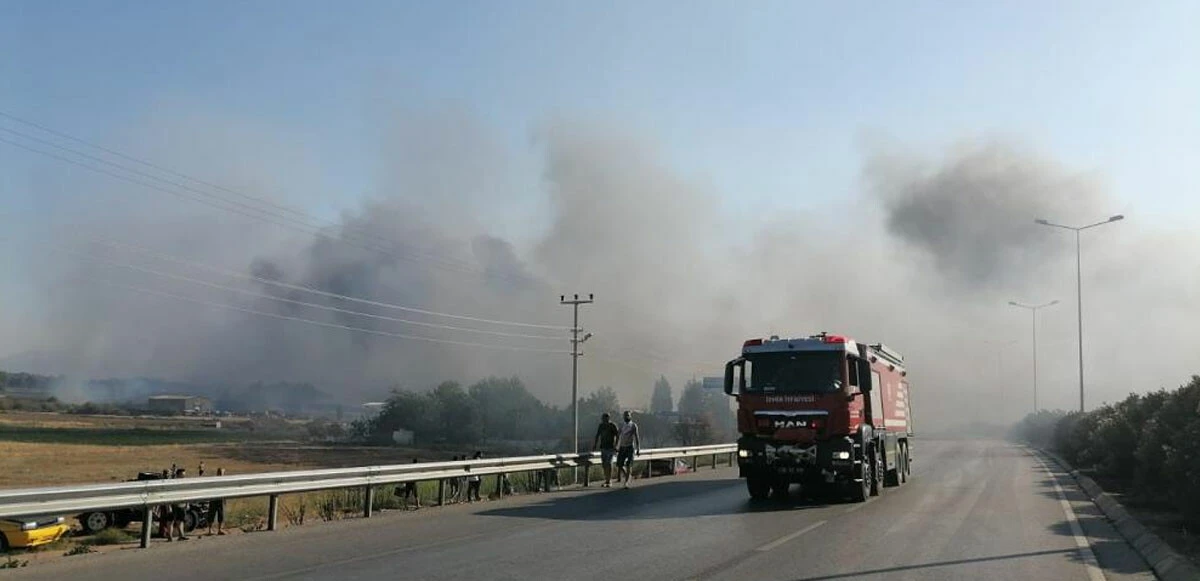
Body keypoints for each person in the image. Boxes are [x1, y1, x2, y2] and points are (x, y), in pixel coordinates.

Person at [593, 412, 619, 487]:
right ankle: (606, 479)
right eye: (603, 418)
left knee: (609, 463)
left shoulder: (612, 425)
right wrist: (595, 445)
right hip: (603, 447)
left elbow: (618, 435)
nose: (604, 420)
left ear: (608, 418)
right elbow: (597, 435)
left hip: (611, 447)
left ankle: (609, 480)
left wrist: (616, 445)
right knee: (604, 464)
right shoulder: (601, 426)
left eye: (605, 418)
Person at [615, 410, 641, 489]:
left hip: (630, 447)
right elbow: (618, 435)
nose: (626, 417)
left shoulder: (633, 425)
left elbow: (637, 437)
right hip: (622, 446)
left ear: (630, 416)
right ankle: (627, 475)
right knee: (619, 464)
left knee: (629, 464)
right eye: (625, 415)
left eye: (628, 415)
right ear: (623, 416)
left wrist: (638, 448)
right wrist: (616, 446)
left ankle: (626, 482)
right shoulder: (621, 425)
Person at [168, 467, 189, 540]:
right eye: (182, 475)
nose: (183, 477)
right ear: (178, 475)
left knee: (181, 520)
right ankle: (170, 536)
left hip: (182, 503)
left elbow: (186, 494)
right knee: (171, 520)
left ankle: (181, 535)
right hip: (174, 503)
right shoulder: (173, 483)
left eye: (184, 475)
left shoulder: (184, 483)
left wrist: (187, 503)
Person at [207, 468, 226, 536]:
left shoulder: (224, 481)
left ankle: (219, 529)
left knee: (221, 514)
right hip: (214, 499)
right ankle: (210, 530)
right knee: (211, 514)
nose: (222, 474)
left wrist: (224, 499)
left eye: (223, 473)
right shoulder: (214, 480)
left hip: (220, 499)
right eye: (220, 473)